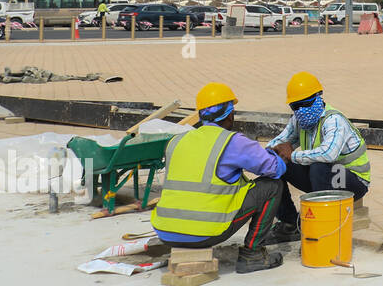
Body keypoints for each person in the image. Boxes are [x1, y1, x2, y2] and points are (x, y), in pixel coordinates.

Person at [150, 82, 286, 273]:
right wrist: (279, 154)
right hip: (205, 233)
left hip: (166, 232)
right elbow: (275, 169)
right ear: (230, 114)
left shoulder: (177, 141)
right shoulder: (232, 142)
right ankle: (253, 254)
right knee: (273, 186)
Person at [266, 72, 371, 238]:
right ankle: (289, 222)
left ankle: (320, 227)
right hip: (323, 179)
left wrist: (292, 155)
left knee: (318, 166)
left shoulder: (334, 120)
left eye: (306, 103)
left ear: (318, 97)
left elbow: (328, 154)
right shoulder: (298, 120)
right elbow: (277, 143)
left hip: (353, 180)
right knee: (274, 163)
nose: (302, 110)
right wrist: (274, 151)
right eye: (296, 106)